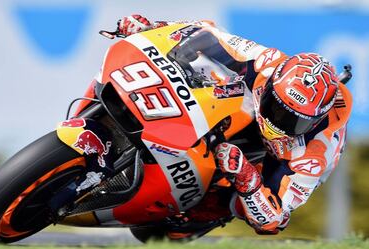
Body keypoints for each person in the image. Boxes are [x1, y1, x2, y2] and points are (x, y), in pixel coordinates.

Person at [115, 15, 352, 235]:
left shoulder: (313, 154)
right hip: (250, 106)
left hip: (282, 157)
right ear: (272, 83)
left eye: (294, 121)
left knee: (240, 204)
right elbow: (206, 32)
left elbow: (272, 221)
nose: (278, 122)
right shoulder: (265, 62)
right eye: (277, 108)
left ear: (315, 121)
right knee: (207, 73)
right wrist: (152, 28)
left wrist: (246, 176)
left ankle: (206, 212)